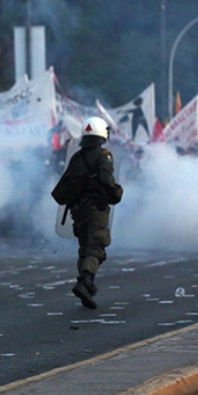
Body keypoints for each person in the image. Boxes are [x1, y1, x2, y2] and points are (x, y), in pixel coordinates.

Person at [53, 117, 123, 310]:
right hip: (95, 209)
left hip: (77, 211)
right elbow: (107, 181)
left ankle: (87, 286)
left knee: (84, 248)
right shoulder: (103, 156)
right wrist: (116, 193)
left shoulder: (77, 157)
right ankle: (85, 282)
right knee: (97, 247)